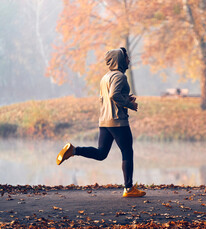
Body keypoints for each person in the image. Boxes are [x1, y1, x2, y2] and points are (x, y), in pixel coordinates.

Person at [56, 47, 145, 198]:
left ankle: (74, 150)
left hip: (104, 121)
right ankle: (129, 189)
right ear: (121, 60)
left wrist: (125, 98)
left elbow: (104, 98)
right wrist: (130, 105)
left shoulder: (106, 77)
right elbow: (114, 95)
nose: (129, 60)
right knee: (127, 152)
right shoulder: (120, 77)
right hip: (118, 121)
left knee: (101, 153)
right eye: (127, 57)